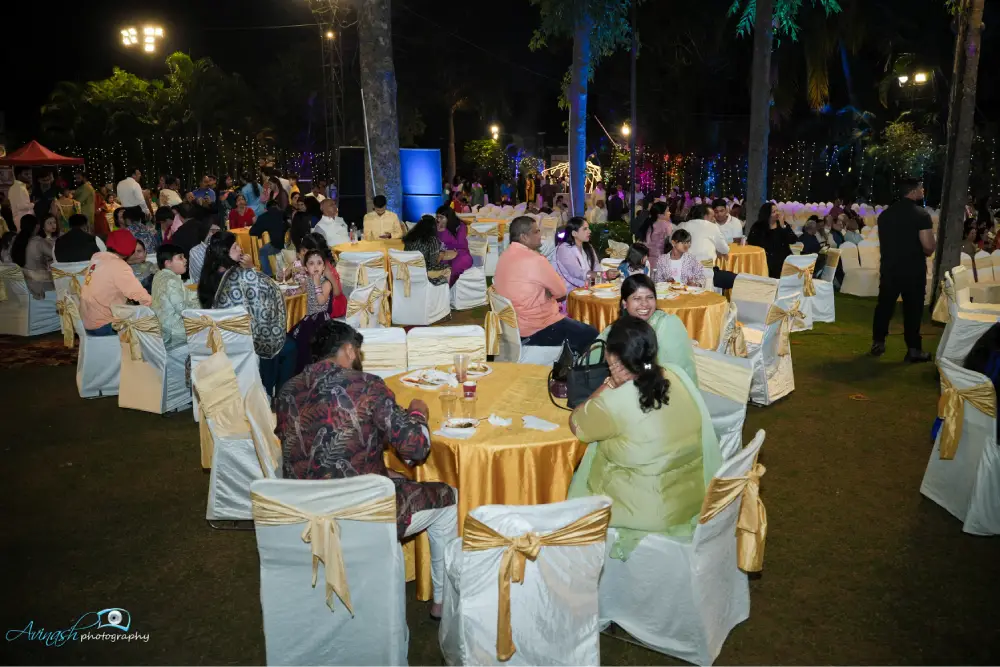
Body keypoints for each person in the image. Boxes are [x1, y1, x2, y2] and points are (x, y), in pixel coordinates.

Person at [277, 320, 457, 618]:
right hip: (362, 512)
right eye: (357, 352)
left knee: (396, 476)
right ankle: (442, 602)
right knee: (448, 498)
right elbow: (416, 448)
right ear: (349, 350)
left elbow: (317, 446)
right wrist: (417, 412)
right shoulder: (368, 385)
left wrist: (382, 471)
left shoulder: (287, 390)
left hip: (307, 510)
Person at [567, 315, 720, 558]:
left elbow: (577, 422)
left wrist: (608, 383)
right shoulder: (675, 375)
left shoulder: (613, 403)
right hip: (691, 494)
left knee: (575, 481)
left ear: (614, 357)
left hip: (646, 509)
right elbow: (647, 370)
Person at [198, 232, 294, 395]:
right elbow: (264, 299)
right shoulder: (239, 276)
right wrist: (251, 269)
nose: (240, 249)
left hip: (223, 339)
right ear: (224, 252)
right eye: (235, 247)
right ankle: (276, 394)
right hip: (245, 339)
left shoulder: (208, 277)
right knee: (289, 346)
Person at [493, 216, 598, 354]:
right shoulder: (535, 260)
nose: (540, 235)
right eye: (536, 232)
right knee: (592, 334)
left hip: (513, 326)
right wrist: (546, 292)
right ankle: (574, 364)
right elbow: (561, 291)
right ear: (524, 237)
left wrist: (545, 292)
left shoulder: (504, 256)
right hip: (538, 327)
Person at [871, 178, 936, 362]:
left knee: (884, 306)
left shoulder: (885, 215)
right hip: (913, 269)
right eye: (921, 188)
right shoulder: (921, 215)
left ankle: (878, 341)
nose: (923, 191)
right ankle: (913, 349)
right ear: (913, 191)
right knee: (913, 310)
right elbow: (928, 247)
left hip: (890, 268)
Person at [592, 275, 698, 384]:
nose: (645, 304)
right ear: (625, 303)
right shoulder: (619, 327)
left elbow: (669, 370)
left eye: (650, 297)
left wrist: (637, 371)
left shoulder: (666, 324)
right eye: (637, 298)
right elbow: (592, 358)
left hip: (662, 387)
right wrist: (614, 368)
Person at [79, 229, 153, 335]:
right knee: (149, 327)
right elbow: (139, 295)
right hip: (104, 325)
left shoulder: (97, 257)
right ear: (129, 250)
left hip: (87, 321)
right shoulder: (119, 266)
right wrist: (155, 308)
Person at [151, 244, 199, 350]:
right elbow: (183, 310)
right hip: (176, 334)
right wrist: (203, 305)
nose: (185, 260)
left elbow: (186, 294)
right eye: (180, 257)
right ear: (168, 263)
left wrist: (202, 295)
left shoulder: (159, 276)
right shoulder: (171, 281)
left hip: (164, 330)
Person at [747, 202, 797, 279]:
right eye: (774, 212)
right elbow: (751, 243)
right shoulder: (758, 227)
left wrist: (783, 226)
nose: (777, 213)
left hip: (782, 261)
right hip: (764, 260)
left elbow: (793, 240)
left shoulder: (782, 224)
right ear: (767, 214)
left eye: (777, 210)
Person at [553, 217, 605, 289]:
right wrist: (604, 275)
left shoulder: (587, 246)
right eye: (585, 229)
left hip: (588, 286)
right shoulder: (564, 249)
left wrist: (600, 282)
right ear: (574, 233)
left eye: (588, 228)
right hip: (571, 290)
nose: (589, 231)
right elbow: (578, 273)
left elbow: (596, 266)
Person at [402, 215, 453, 286]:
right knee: (448, 268)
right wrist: (441, 255)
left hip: (408, 270)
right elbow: (433, 262)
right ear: (433, 227)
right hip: (423, 271)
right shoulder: (432, 240)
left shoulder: (410, 237)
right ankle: (442, 290)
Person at [12, 215, 55, 299]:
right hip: (42, 286)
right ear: (37, 226)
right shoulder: (38, 241)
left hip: (24, 286)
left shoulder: (17, 241)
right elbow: (56, 255)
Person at [251, 200, 291, 277]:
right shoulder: (284, 213)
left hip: (277, 245)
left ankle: (268, 275)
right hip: (290, 244)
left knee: (262, 251)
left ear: (266, 209)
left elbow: (252, 232)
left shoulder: (263, 217)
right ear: (277, 206)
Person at [436, 205, 473, 286]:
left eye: (441, 217)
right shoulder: (437, 227)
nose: (438, 220)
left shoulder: (460, 226)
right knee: (438, 266)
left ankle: (446, 287)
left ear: (448, 217)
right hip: (444, 255)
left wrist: (444, 231)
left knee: (455, 266)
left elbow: (459, 245)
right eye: (437, 217)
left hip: (461, 254)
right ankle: (440, 288)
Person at [638, 204, 673, 270]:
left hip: (644, 257)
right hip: (658, 258)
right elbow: (671, 240)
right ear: (660, 214)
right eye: (667, 211)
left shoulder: (648, 222)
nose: (670, 213)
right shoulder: (667, 224)